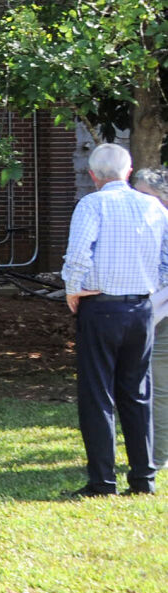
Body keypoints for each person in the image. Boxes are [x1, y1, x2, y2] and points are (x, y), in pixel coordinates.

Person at [62, 143, 166, 497]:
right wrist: (148, 284)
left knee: (97, 394)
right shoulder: (153, 206)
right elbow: (166, 259)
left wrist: (73, 290)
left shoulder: (92, 204)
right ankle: (143, 478)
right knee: (137, 393)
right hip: (141, 308)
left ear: (93, 175)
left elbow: (78, 254)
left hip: (101, 306)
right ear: (129, 171)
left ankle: (103, 481)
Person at [131, 167, 168, 480]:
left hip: (161, 315)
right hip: (149, 314)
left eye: (145, 195)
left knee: (158, 388)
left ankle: (157, 457)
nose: (139, 200)